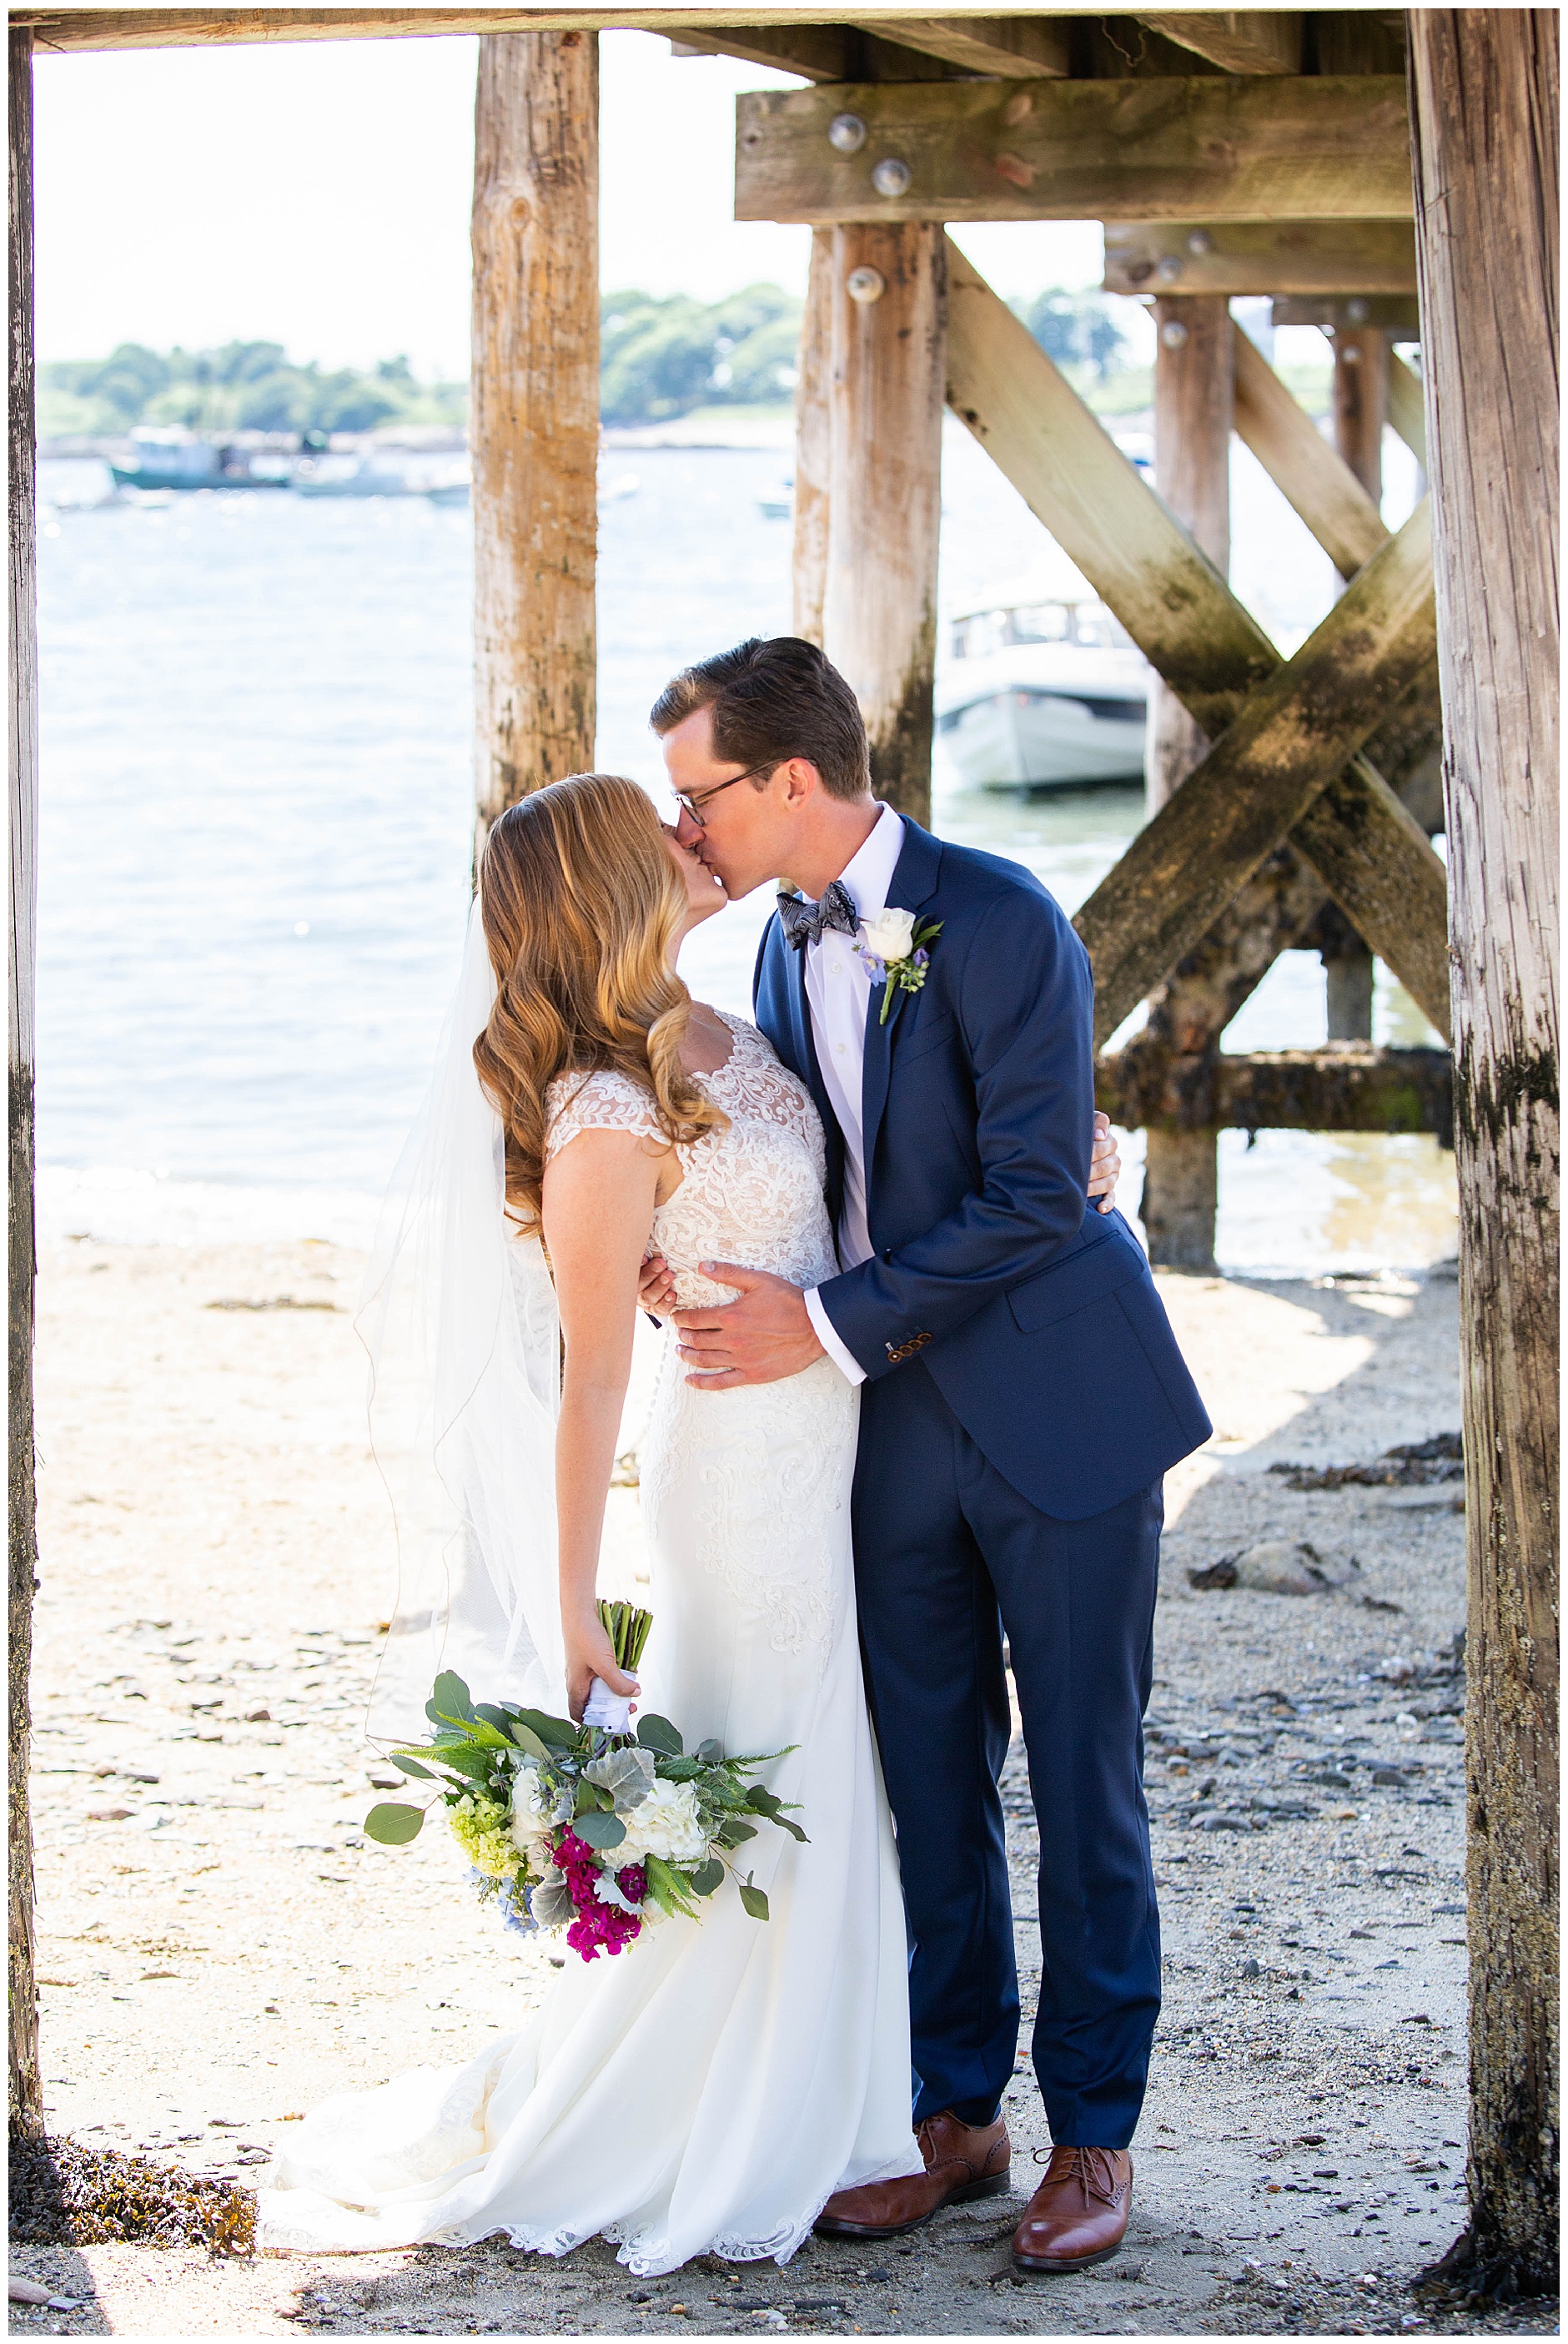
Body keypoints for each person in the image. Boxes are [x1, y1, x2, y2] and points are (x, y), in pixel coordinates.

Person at [260, 772, 1119, 2273]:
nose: (687, 833)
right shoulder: (598, 1105)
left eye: (690, 802)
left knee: (873, 1773)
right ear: (607, 877)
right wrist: (575, 1600)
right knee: (797, 1771)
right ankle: (784, 2109)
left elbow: (862, 1166)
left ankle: (893, 2097)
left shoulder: (733, 1008)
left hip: (856, 1438)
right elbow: (590, 1382)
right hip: (741, 1471)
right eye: (652, 826)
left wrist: (1064, 1166)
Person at [643, 636, 1211, 2276]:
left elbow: (1040, 1188)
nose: (685, 831)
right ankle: (955, 2116)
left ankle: (1092, 2133)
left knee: (1085, 1779)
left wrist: (817, 1330)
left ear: (794, 783)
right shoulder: (767, 959)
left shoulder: (1006, 914)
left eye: (699, 798)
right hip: (885, 1434)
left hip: (1061, 1407)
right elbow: (792, 1173)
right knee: (923, 1778)